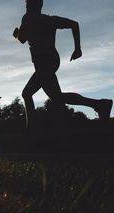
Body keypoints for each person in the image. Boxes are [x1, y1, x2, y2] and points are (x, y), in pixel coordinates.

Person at [13, 0, 112, 129]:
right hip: (51, 61)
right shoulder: (50, 20)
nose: (26, 7)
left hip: (45, 62)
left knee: (27, 94)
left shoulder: (27, 19)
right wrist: (77, 49)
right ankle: (100, 104)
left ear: (34, 5)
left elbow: (22, 39)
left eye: (27, 4)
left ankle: (30, 130)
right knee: (57, 97)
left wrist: (16, 34)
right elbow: (74, 24)